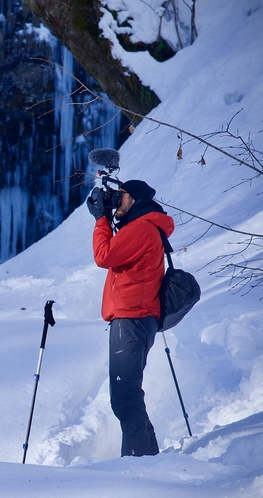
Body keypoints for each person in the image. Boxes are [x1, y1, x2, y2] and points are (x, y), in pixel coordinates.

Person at [86, 179, 174, 457]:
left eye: (120, 196)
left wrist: (101, 219)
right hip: (136, 318)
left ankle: (136, 463)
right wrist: (108, 220)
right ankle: (147, 457)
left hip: (132, 319)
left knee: (125, 397)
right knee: (129, 394)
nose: (115, 201)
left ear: (135, 199)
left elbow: (104, 255)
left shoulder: (142, 228)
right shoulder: (144, 227)